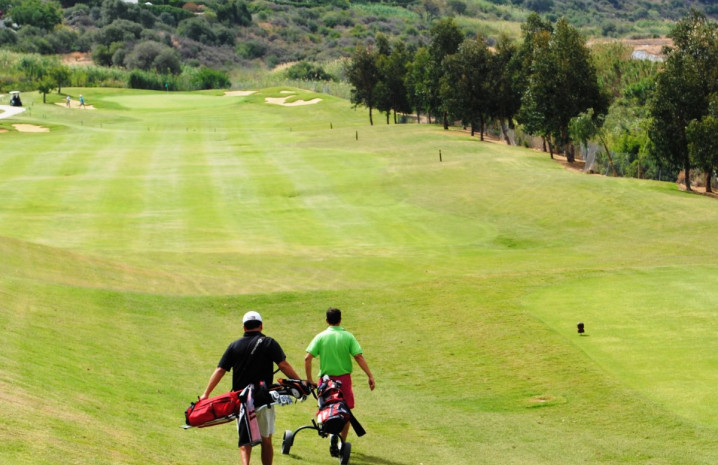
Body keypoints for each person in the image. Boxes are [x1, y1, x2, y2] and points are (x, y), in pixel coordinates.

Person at [200, 310, 301, 465]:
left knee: (245, 440)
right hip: (263, 398)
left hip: (241, 401)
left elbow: (220, 370)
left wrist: (206, 394)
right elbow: (283, 365)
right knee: (266, 439)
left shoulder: (234, 346)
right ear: (261, 326)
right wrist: (300, 382)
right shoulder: (269, 342)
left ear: (244, 327)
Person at [305, 307, 375, 449]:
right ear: (340, 319)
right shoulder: (348, 336)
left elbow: (307, 358)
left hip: (325, 382)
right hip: (343, 381)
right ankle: (340, 442)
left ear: (327, 320)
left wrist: (310, 380)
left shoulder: (321, 337)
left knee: (326, 409)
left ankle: (331, 434)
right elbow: (358, 356)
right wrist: (370, 375)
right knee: (345, 411)